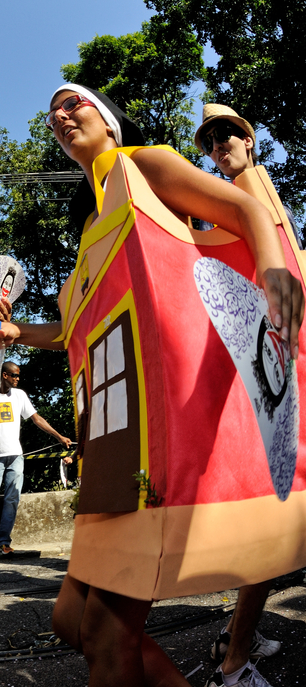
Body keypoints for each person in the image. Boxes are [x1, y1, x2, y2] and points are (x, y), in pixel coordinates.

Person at [0, 84, 303, 687]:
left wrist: (274, 269)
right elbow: (76, 330)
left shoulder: (143, 163)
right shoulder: (93, 230)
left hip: (152, 440)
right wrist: (13, 331)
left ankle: (237, 659)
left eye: (73, 104)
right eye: (53, 113)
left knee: (104, 634)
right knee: (70, 621)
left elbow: (246, 212)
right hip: (110, 443)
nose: (59, 116)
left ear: (108, 120)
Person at [195, 103, 284, 687]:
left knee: (280, 518)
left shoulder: (266, 195)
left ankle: (238, 636)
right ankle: (233, 663)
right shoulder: (228, 203)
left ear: (249, 140)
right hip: (260, 374)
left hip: (285, 363)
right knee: (274, 521)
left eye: (229, 133)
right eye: (210, 140)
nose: (221, 143)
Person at [0, 361, 71, 556]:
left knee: (12, 500)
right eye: (14, 375)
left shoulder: (19, 395)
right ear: (4, 376)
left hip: (16, 456)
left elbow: (36, 418)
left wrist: (58, 436)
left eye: (18, 375)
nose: (18, 379)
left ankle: (3, 542)